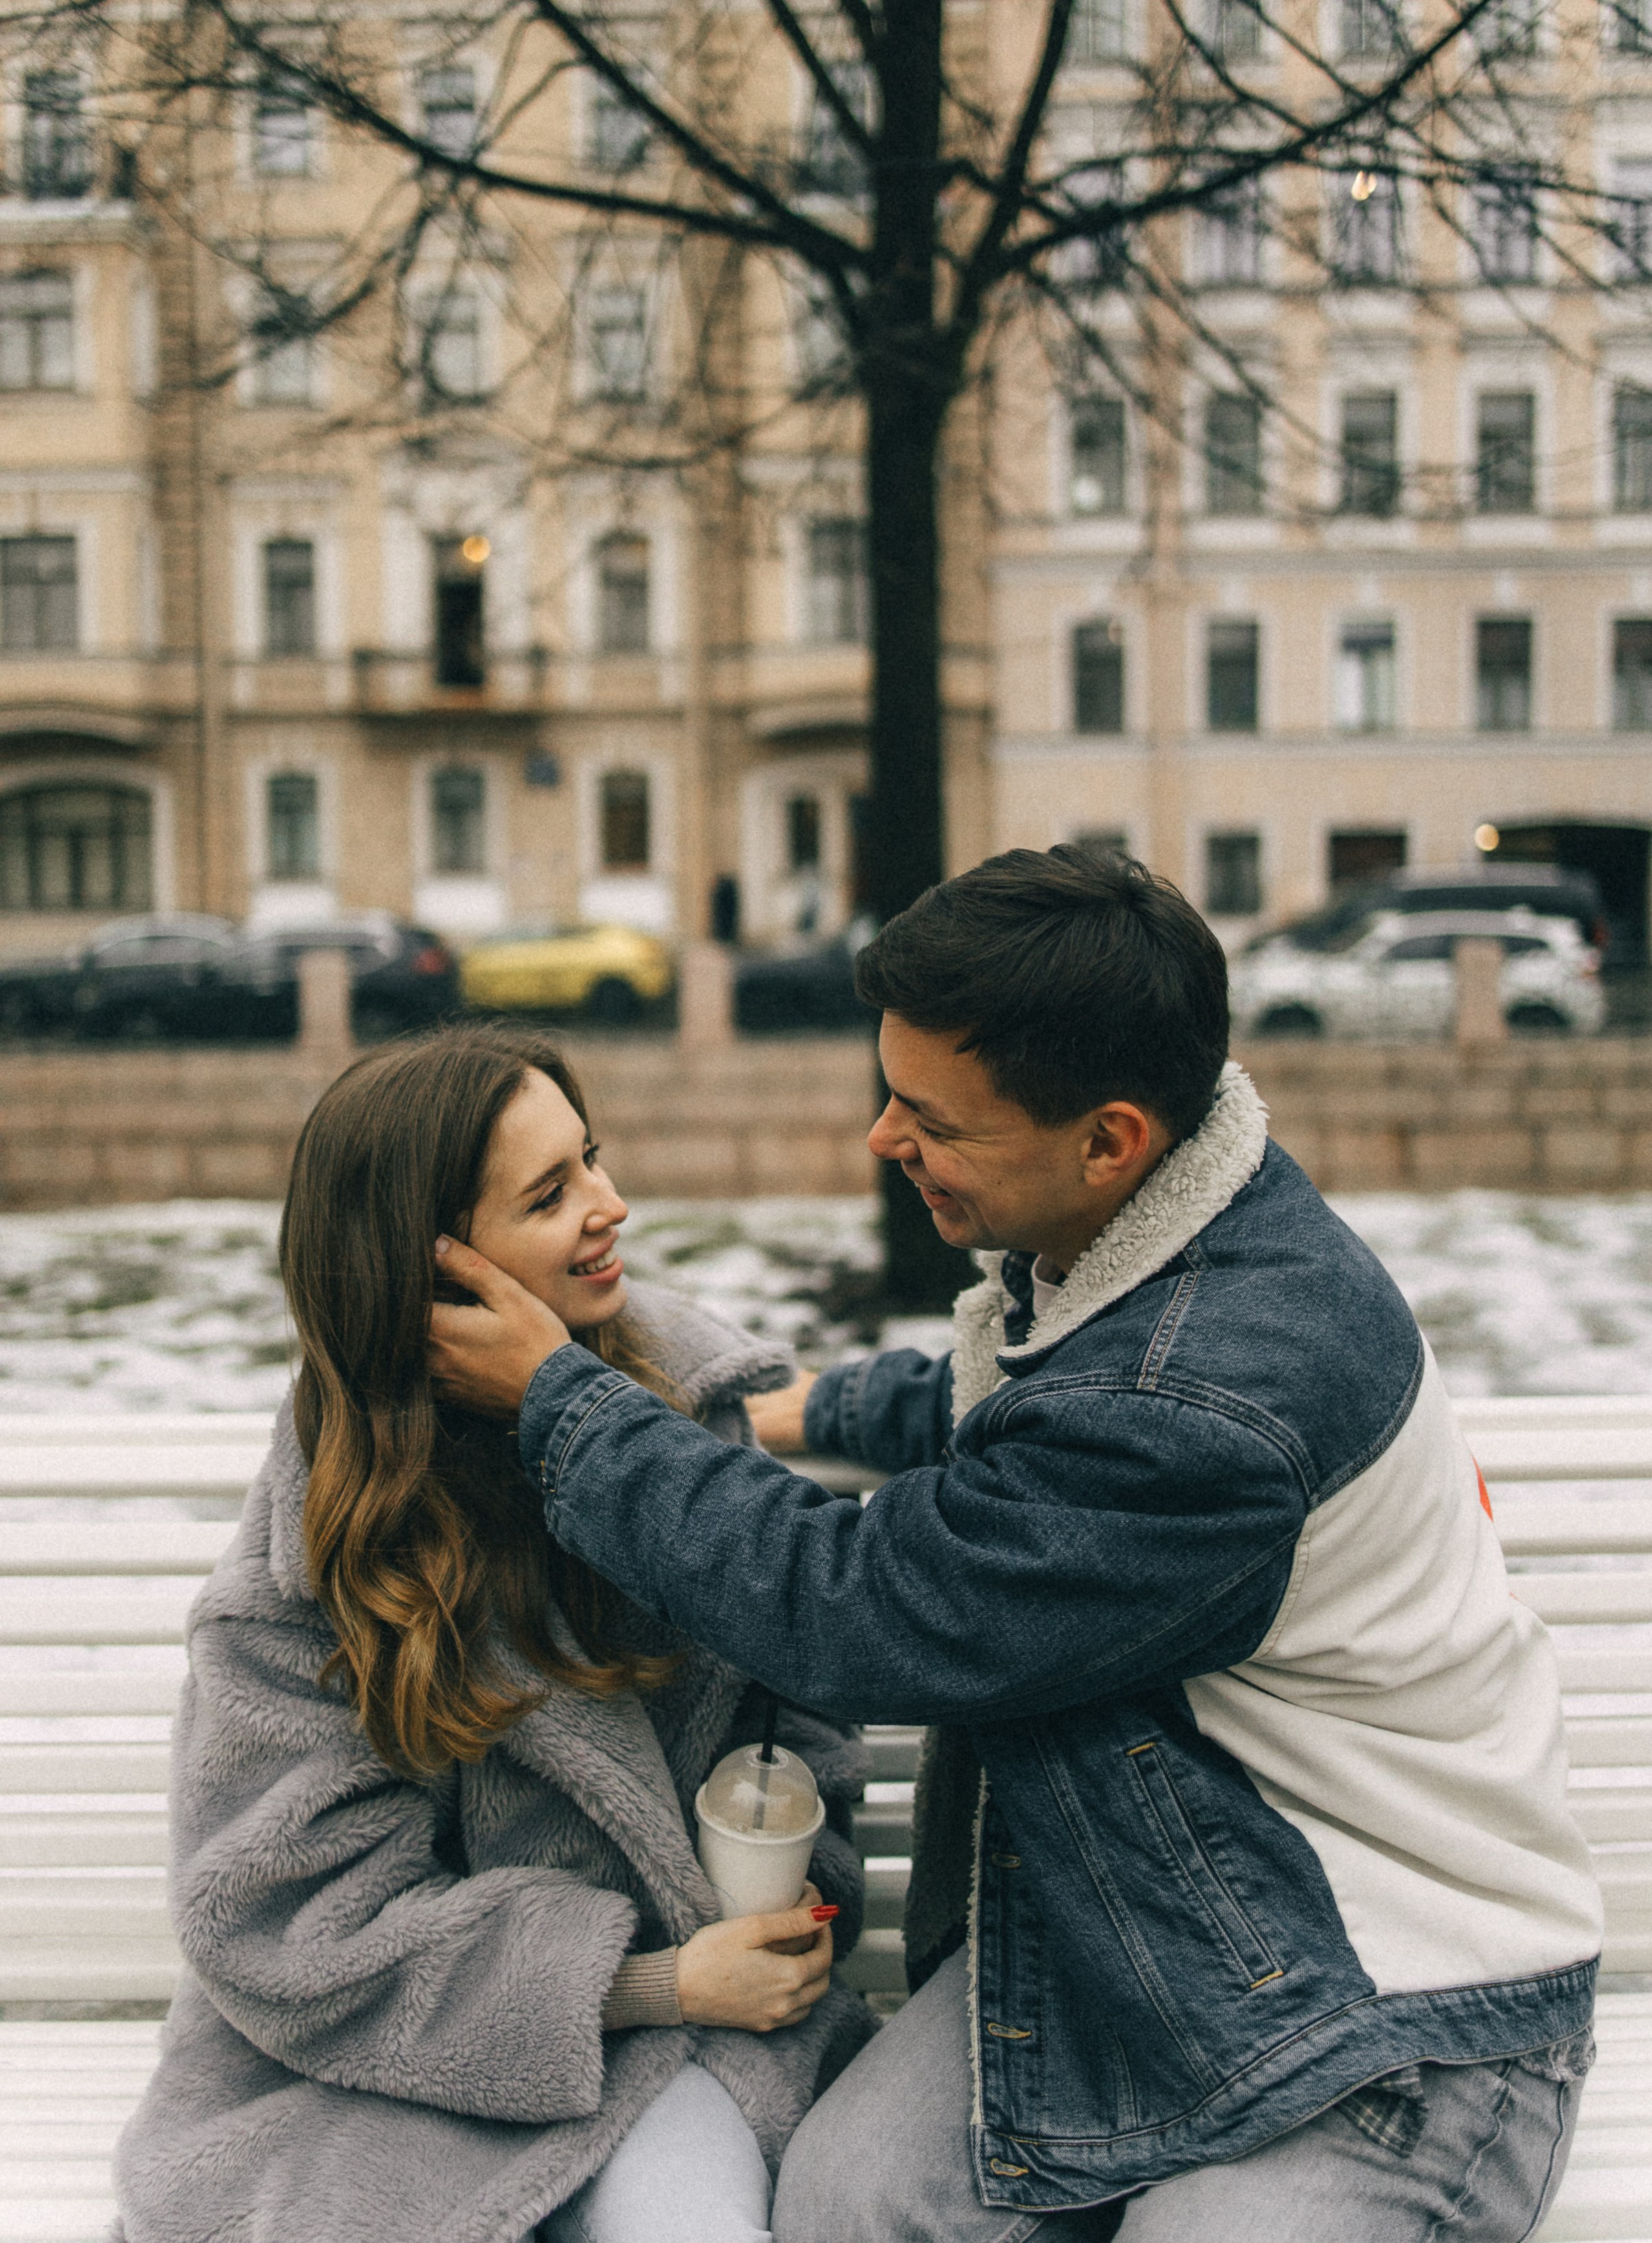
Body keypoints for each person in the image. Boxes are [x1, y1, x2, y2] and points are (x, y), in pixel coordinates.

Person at [430, 846, 1603, 2243]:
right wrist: (825, 1404)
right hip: (1159, 1931)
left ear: (1107, 1138)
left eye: (930, 1116)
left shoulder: (1204, 1394)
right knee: (854, 2206)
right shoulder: (1178, 1236)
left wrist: (567, 1407)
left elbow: (863, 1612)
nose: (882, 1140)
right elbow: (1032, 1409)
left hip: (1391, 2008)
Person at [112, 1026, 871, 2243]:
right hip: (382, 2077)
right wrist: (642, 1978)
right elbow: (283, 1922)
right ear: (440, 1269)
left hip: (694, 2041)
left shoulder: (688, 1424)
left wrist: (790, 1898)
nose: (611, 1207)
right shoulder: (312, 1552)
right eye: (552, 1192)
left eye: (595, 1161)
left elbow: (798, 1712)